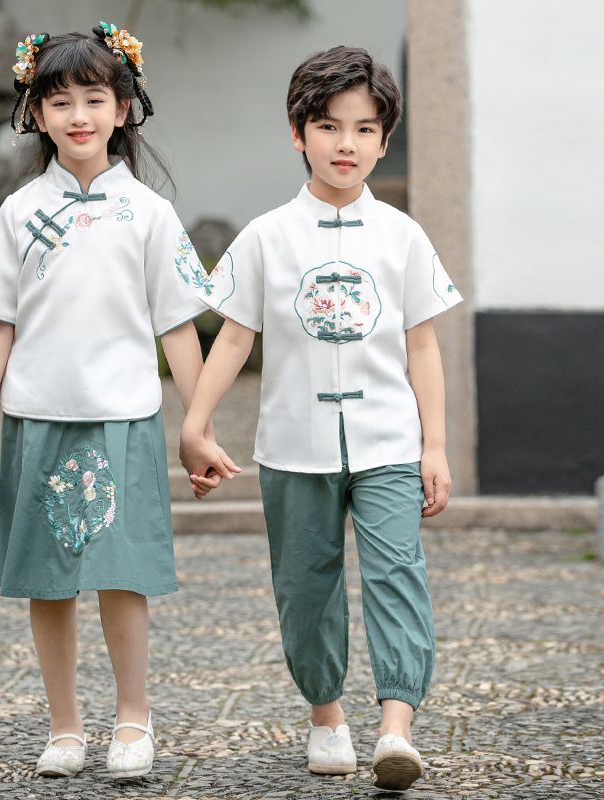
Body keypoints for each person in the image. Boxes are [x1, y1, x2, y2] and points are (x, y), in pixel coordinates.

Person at [179, 46, 462, 791]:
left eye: (365, 129)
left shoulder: (403, 235)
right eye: (329, 126)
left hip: (390, 442)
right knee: (304, 584)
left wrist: (436, 445)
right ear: (298, 132)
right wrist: (197, 424)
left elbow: (422, 344)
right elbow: (233, 336)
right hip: (294, 443)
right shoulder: (267, 236)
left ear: (384, 139)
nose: (347, 144)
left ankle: (396, 729)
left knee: (398, 574)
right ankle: (327, 717)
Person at [0, 21, 228, 780]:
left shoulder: (147, 213)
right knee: (47, 581)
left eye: (94, 98)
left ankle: (133, 721)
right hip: (36, 417)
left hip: (124, 419)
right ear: (34, 113)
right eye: (59, 100)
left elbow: (179, 327)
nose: (78, 114)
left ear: (123, 108)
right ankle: (66, 725)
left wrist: (196, 426)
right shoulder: (17, 213)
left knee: (123, 573)